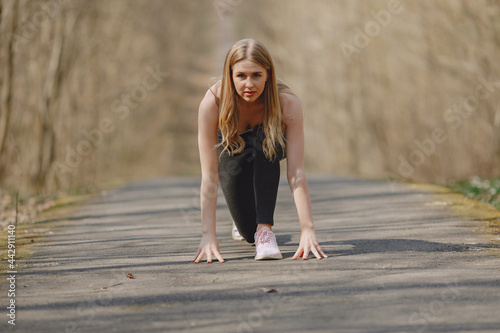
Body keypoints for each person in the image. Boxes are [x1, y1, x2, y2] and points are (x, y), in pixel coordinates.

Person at [191, 38, 327, 263]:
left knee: (266, 140)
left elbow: (296, 171)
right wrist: (208, 235)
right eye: (241, 76)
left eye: (256, 75)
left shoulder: (287, 103)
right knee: (246, 232)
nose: (249, 84)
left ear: (268, 74)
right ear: (230, 74)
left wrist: (308, 229)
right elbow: (210, 175)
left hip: (267, 146)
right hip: (232, 149)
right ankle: (246, 225)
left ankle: (265, 231)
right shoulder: (212, 103)